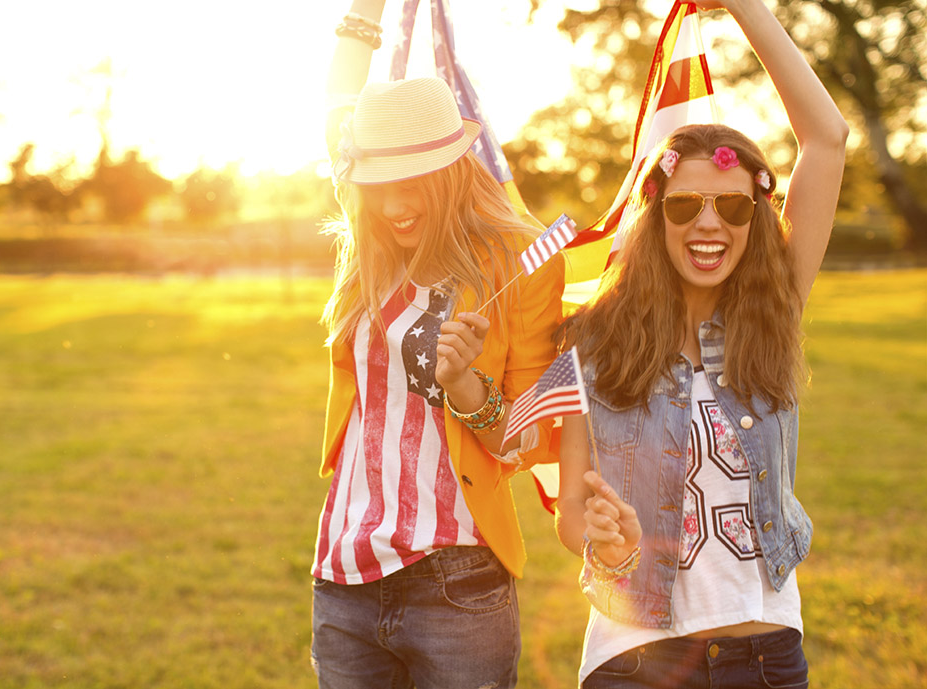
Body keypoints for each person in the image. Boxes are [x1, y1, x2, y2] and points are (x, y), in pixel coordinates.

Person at [555, 0, 848, 687]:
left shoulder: (769, 316)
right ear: (657, 217)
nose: (708, 223)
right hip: (634, 658)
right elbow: (572, 517)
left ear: (756, 216)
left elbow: (828, 139)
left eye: (733, 205)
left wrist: (745, 7)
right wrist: (601, 533)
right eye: (685, 205)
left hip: (765, 656)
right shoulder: (594, 342)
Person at [309, 2, 565, 687]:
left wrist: (468, 388)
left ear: (453, 166)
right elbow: (338, 95)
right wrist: (366, 9)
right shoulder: (366, 240)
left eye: (415, 181)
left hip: (460, 580)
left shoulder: (521, 258)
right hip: (345, 572)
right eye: (378, 183)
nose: (395, 204)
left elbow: (533, 438)